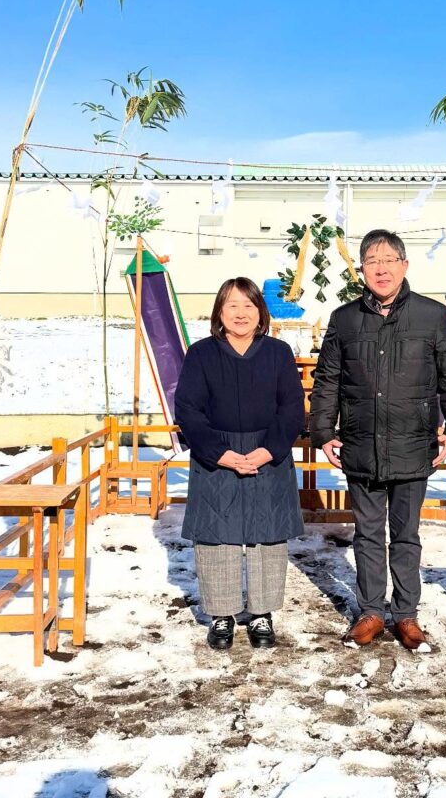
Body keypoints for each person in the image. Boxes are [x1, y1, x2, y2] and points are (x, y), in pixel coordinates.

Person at [309, 229, 446, 652]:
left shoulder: (432, 316)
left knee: (406, 535)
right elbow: (327, 380)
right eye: (371, 261)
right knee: (366, 533)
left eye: (388, 260)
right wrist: (323, 431)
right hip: (361, 443)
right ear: (361, 269)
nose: (380, 269)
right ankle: (370, 612)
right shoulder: (345, 319)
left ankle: (406, 614)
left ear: (404, 265)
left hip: (414, 443)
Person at [175, 277, 306, 650]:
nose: (241, 313)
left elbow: (292, 408)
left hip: (268, 453)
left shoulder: (278, 353)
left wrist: (269, 450)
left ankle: (262, 614)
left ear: (260, 312)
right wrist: (220, 453)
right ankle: (221, 614)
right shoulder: (201, 354)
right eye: (232, 305)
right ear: (219, 311)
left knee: (267, 536)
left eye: (249, 305)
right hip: (216, 455)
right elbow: (188, 408)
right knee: (218, 536)